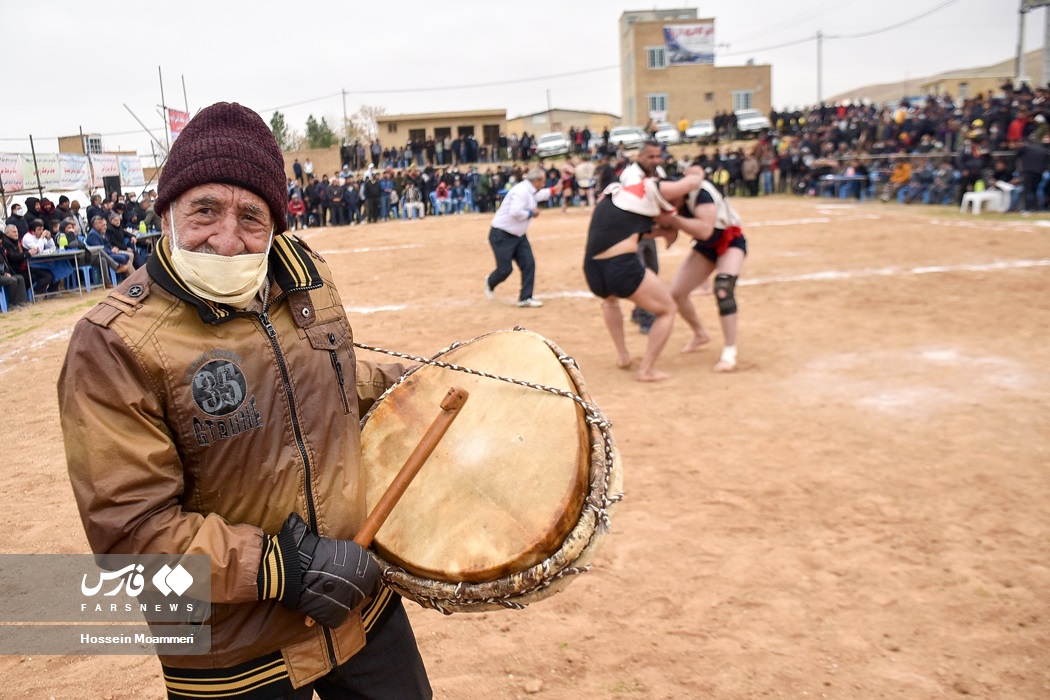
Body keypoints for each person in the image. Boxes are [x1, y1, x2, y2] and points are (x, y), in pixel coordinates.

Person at [58, 102, 431, 700]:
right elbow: (130, 533)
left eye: (251, 217)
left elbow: (325, 381)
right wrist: (282, 568)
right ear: (167, 210)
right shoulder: (112, 344)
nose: (228, 240)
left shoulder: (301, 276)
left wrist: (413, 382)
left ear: (276, 224)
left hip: (359, 603)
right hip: (232, 651)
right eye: (205, 209)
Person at [582, 171, 703, 382]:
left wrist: (663, 232)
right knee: (668, 309)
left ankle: (623, 356)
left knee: (610, 302)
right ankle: (646, 370)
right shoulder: (646, 189)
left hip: (592, 269)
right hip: (620, 268)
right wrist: (697, 174)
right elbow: (688, 184)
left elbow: (630, 231)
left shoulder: (615, 200)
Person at [664, 167, 748, 372]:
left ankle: (729, 352)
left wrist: (672, 221)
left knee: (723, 288)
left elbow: (705, 229)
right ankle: (700, 334)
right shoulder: (676, 201)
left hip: (730, 241)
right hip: (707, 247)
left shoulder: (700, 194)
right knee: (677, 293)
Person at [484, 167, 562, 308]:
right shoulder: (521, 191)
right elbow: (515, 212)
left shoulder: (529, 190)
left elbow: (538, 196)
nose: (544, 184)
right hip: (502, 235)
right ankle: (490, 281)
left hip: (518, 235)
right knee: (505, 270)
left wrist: (553, 190)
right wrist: (531, 213)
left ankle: (525, 298)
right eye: (543, 181)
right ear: (536, 181)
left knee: (529, 264)